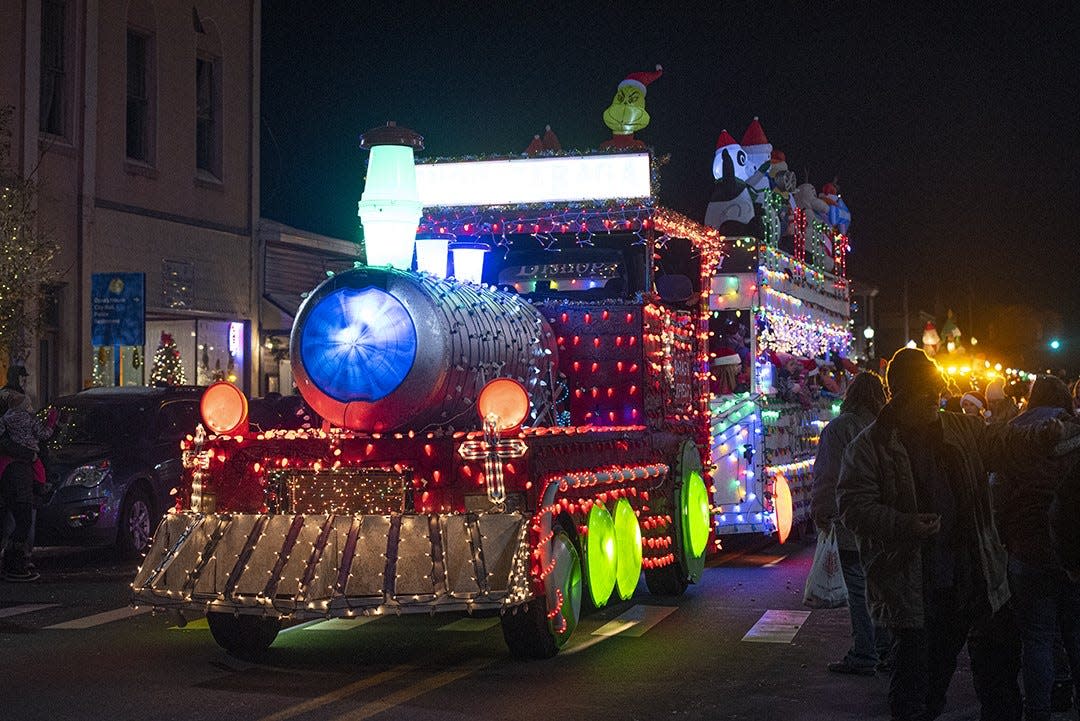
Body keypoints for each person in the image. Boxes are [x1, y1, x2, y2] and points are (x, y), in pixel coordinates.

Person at [837, 347, 1065, 721]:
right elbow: (853, 507)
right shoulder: (870, 446)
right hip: (916, 591)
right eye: (924, 392)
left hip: (977, 581)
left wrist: (1039, 437)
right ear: (901, 395)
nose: (933, 399)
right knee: (919, 693)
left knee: (1000, 687)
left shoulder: (960, 428)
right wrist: (904, 524)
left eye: (936, 391)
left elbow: (1003, 443)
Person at [994, 376, 1080, 721]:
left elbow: (998, 491)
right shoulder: (1076, 431)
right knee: (1075, 634)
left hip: (1025, 546)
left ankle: (1037, 712)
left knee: (1037, 639)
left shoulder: (1011, 433)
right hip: (1073, 550)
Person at [811, 370, 890, 676]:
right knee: (880, 585)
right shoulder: (885, 425)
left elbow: (828, 475)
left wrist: (822, 512)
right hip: (882, 517)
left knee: (857, 588)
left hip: (850, 517)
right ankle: (884, 647)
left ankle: (865, 651)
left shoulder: (839, 429)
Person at [0, 391, 55, 582]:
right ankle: (13, 564)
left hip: (10, 474)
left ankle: (12, 562)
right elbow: (44, 434)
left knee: (13, 521)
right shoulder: (28, 422)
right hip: (20, 474)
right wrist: (52, 422)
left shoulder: (5, 420)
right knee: (23, 522)